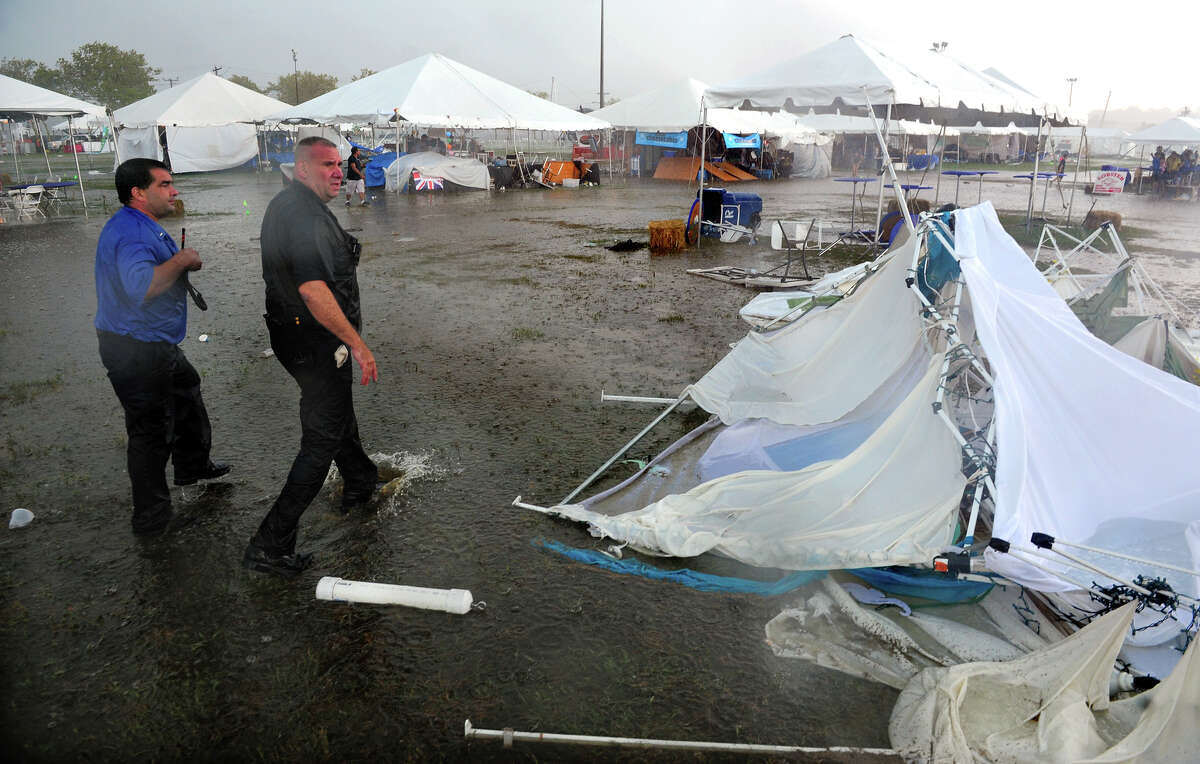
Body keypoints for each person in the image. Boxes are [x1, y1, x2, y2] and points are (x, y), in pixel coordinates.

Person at [245, 136, 381, 577]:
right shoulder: (301, 214)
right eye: (326, 164)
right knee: (321, 438)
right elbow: (312, 288)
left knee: (336, 413)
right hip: (315, 342)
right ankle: (270, 544)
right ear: (301, 169)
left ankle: (360, 483)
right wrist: (356, 344)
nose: (337, 171)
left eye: (339, 164)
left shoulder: (292, 205)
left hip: (297, 337)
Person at [94, 158, 230, 536]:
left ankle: (192, 465)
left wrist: (177, 263)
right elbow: (143, 287)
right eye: (165, 185)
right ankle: (152, 522)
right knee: (150, 433)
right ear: (138, 192)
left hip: (155, 342)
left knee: (187, 390)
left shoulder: (139, 223)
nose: (175, 191)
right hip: (135, 348)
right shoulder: (132, 234)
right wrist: (183, 259)